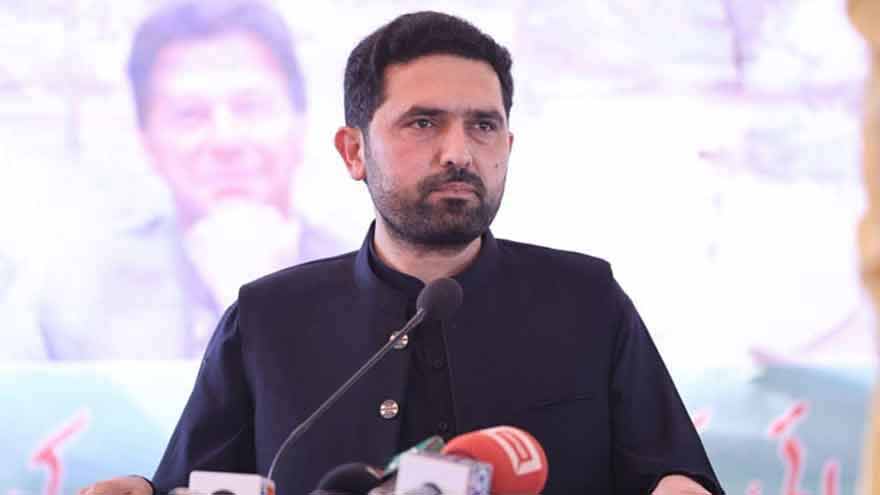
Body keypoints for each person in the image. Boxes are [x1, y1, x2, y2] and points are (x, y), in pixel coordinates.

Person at [79, 10, 723, 494]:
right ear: (354, 151)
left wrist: (679, 486)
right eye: (423, 123)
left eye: (483, 125)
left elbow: (670, 474)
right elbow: (194, 486)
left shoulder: (586, 300)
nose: (458, 152)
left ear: (507, 144)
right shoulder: (268, 319)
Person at [38, 0, 344, 360]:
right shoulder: (71, 300)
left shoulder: (376, 281)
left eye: (249, 107)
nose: (225, 140)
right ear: (146, 141)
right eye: (190, 115)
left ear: (300, 122)